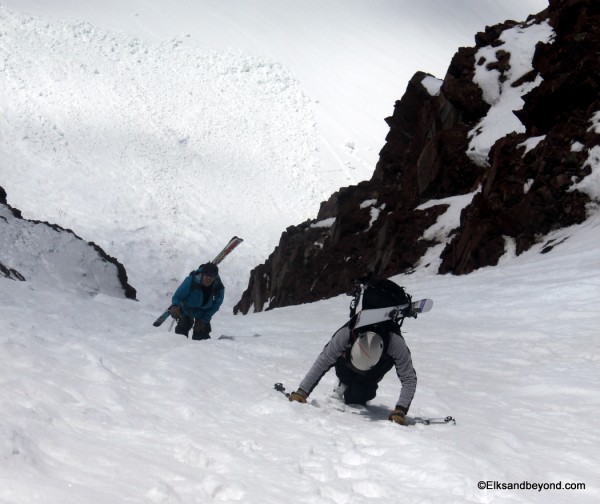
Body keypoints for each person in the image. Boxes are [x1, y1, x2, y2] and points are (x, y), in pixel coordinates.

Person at [288, 279, 417, 425]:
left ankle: (355, 388)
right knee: (345, 377)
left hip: (370, 376)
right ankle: (343, 383)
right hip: (345, 367)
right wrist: (302, 392)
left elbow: (408, 378)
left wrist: (400, 410)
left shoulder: (394, 342)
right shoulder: (350, 331)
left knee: (358, 397)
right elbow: (324, 360)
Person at [168, 262, 224, 340]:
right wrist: (175, 306)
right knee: (181, 333)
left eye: (211, 278)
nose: (208, 279)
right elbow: (178, 296)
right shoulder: (190, 281)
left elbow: (216, 305)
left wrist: (204, 319)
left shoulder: (218, 286)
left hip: (203, 312)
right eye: (206, 276)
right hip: (186, 309)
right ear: (201, 274)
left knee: (202, 336)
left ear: (215, 277)